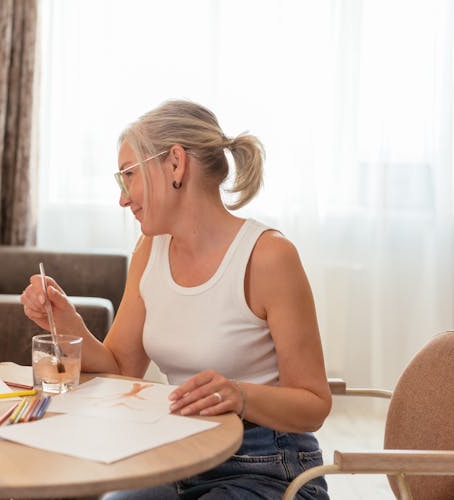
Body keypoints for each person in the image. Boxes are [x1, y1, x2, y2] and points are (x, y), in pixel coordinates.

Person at [21, 100, 331, 499]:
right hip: (176, 455)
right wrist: (67, 324)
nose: (123, 198)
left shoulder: (268, 256)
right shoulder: (150, 250)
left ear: (176, 164)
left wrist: (240, 396)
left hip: (268, 466)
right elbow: (121, 367)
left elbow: (314, 405)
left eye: (128, 176)